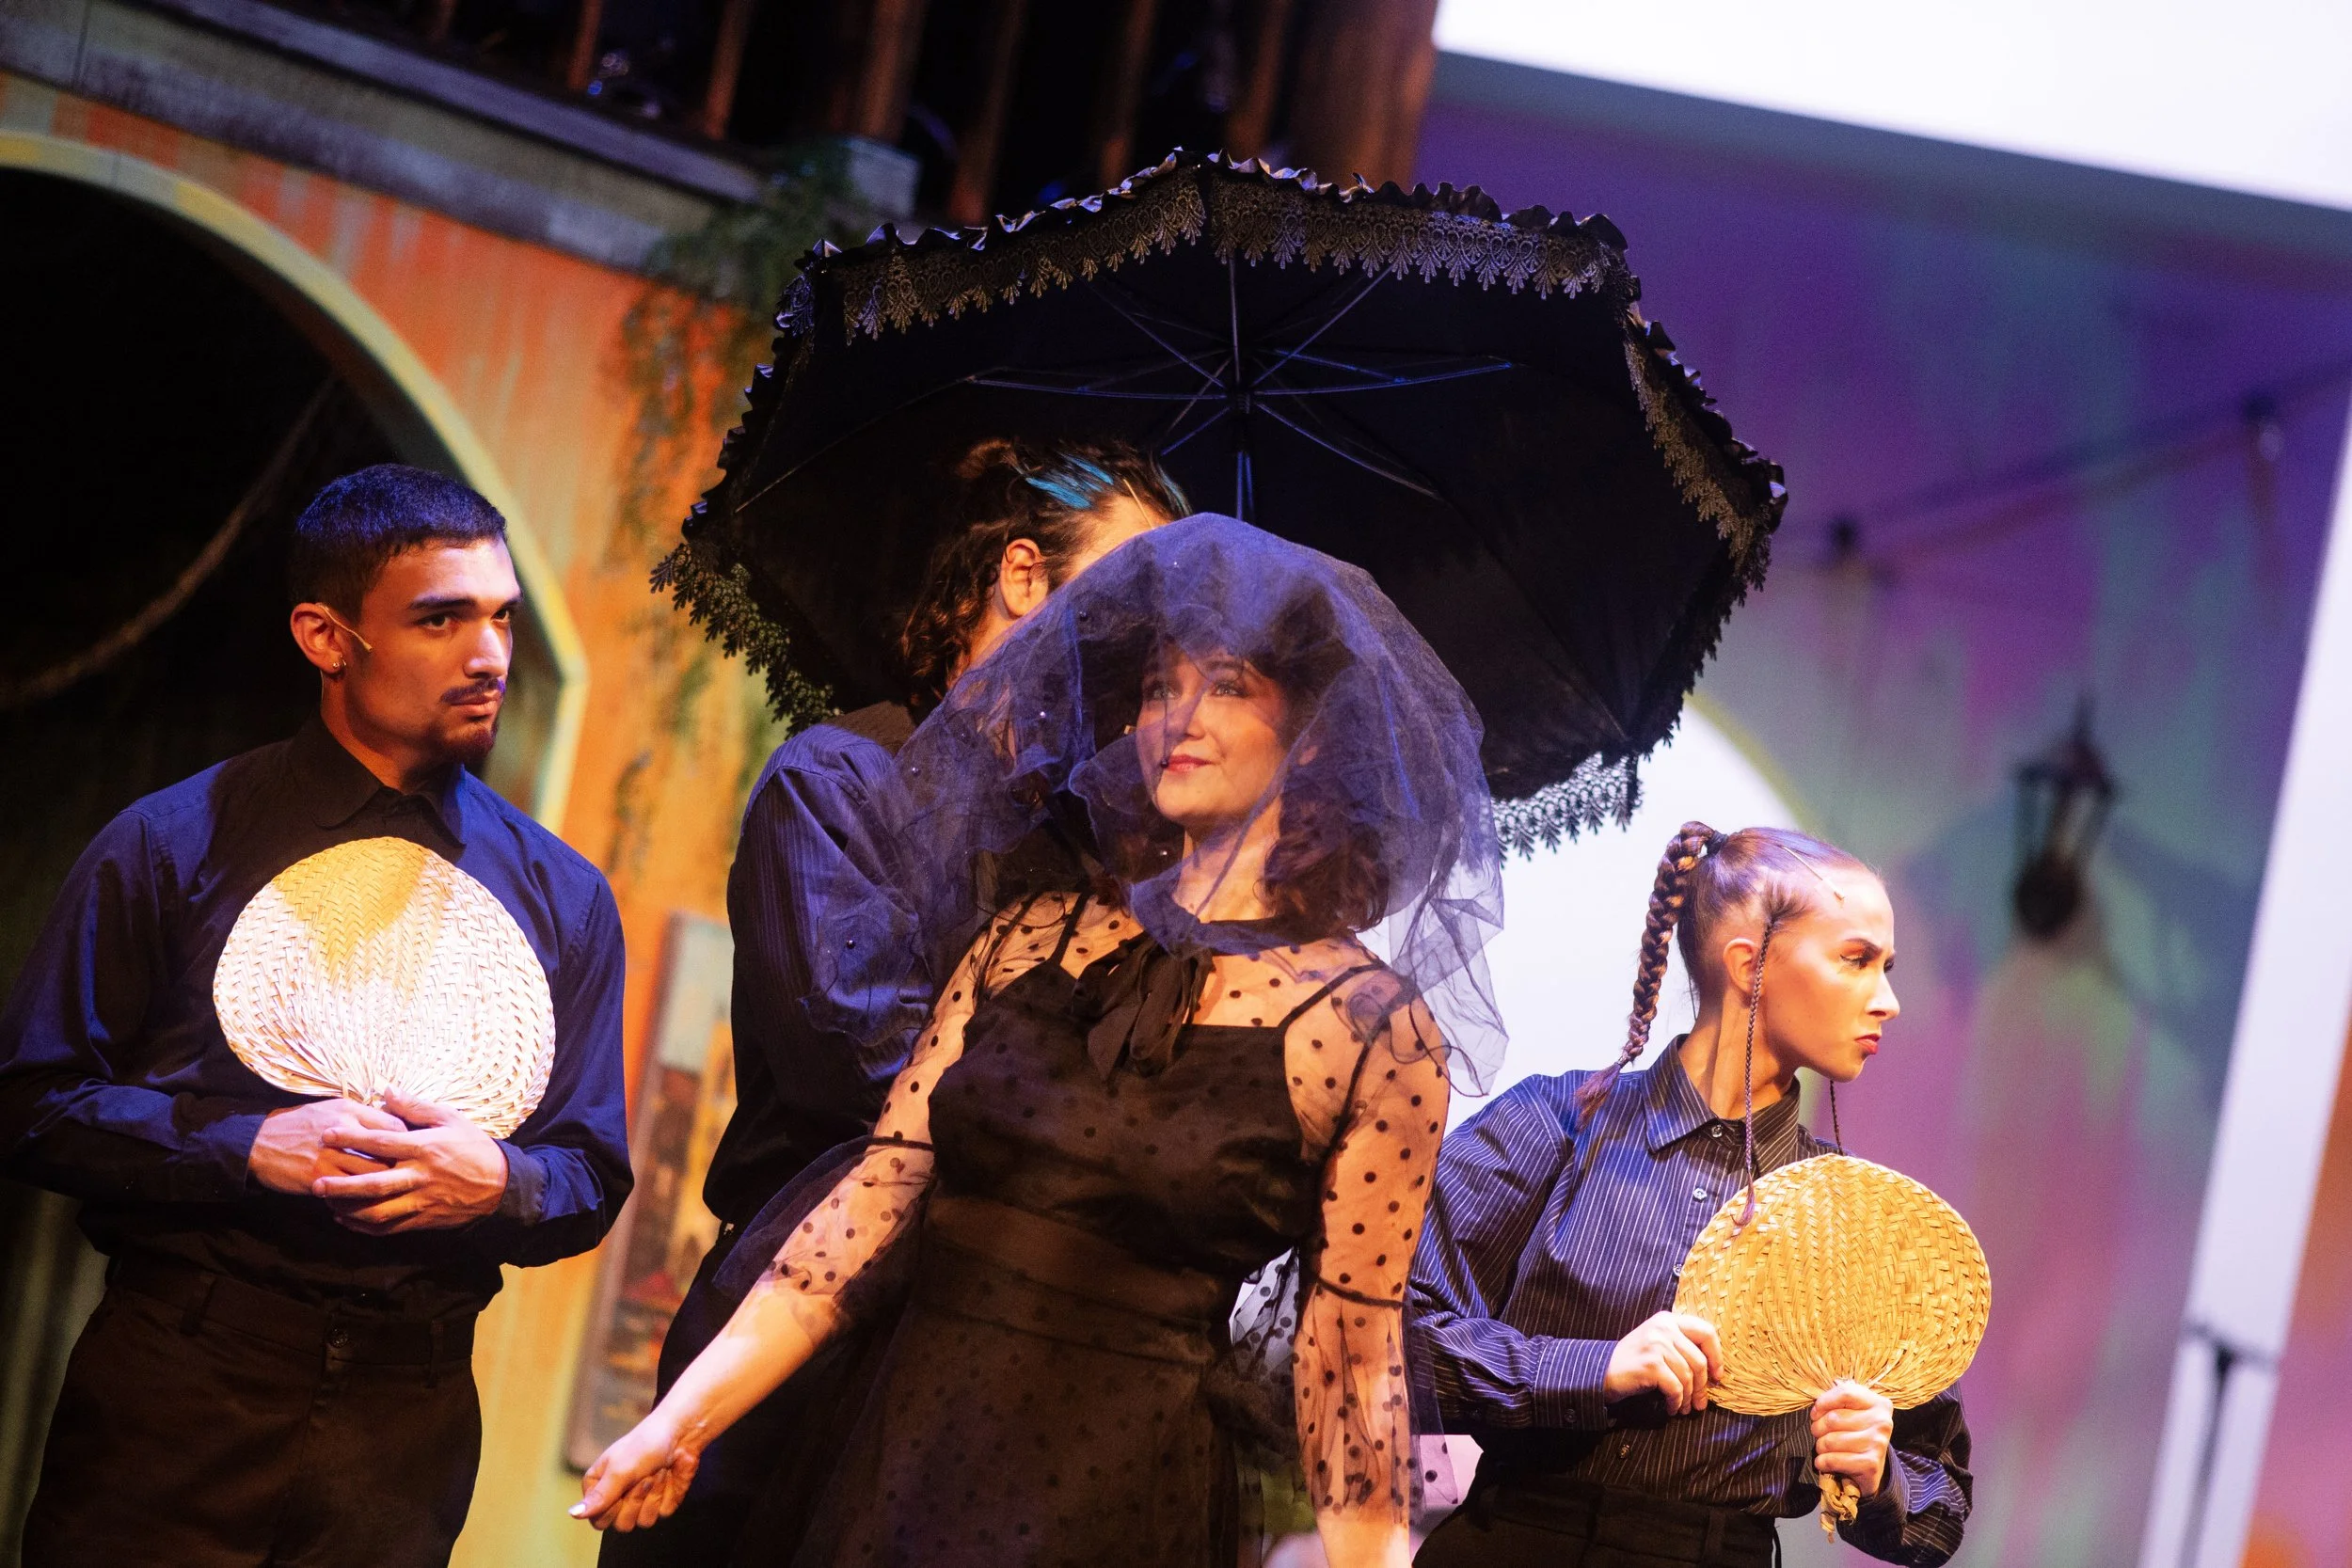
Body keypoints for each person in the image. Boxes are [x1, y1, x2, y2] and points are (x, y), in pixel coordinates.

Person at [573, 515, 1507, 1568]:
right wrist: (679, 1419)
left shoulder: (1370, 1029)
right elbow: (869, 1208)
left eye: (1229, 685)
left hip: (1116, 1494)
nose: (1179, 717)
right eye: (1160, 685)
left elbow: (1352, 1352)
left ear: (1316, 734)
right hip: (905, 1447)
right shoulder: (1026, 940)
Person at [0, 465, 633, 1568]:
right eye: (441, 618)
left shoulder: (563, 896)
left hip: (410, 1407)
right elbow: (31, 1101)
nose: (488, 655)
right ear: (327, 636)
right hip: (188, 1378)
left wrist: (503, 1180)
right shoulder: (172, 843)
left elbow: (589, 1167)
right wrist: (244, 1145)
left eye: (501, 617)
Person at [599, 438, 1187, 1566]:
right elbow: (864, 1062)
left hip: (992, 1371)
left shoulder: (1101, 862)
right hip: (799, 1325)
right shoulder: (840, 780)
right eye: (1138, 587)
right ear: (1024, 576)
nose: (1160, 634)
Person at [1406, 823, 1972, 1568]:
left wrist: (1879, 1473)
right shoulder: (1555, 1127)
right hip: (1516, 1540)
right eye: (1856, 959)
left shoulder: (1854, 1222)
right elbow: (1388, 1340)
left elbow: (1941, 1510)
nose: (1888, 1000)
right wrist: (1595, 1368)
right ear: (1751, 965)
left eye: (1887, 965)